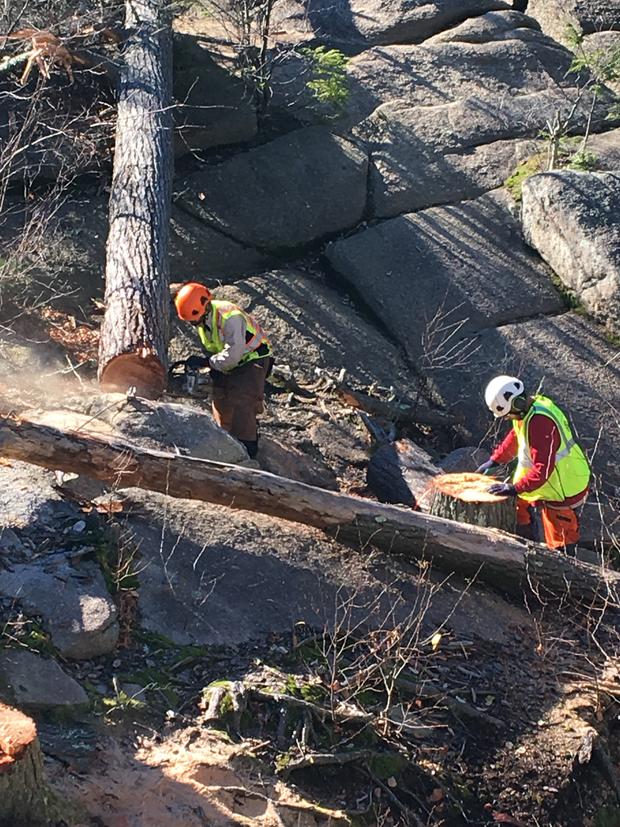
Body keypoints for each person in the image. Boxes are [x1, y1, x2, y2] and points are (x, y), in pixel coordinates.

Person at [476, 375, 590, 552]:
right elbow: (516, 435)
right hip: (549, 479)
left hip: (564, 487)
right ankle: (526, 546)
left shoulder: (540, 423)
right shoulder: (530, 409)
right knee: (517, 506)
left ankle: (563, 571)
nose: (507, 419)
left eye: (507, 415)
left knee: (560, 541)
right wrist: (495, 460)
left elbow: (542, 471)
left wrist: (515, 488)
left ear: (517, 405)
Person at [173, 282, 273, 459]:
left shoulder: (229, 317)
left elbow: (233, 354)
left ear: (201, 309)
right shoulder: (205, 322)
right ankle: (225, 438)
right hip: (230, 361)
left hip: (254, 357)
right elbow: (218, 350)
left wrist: (207, 362)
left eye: (192, 320)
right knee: (220, 397)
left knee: (241, 398)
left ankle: (248, 448)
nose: (192, 324)